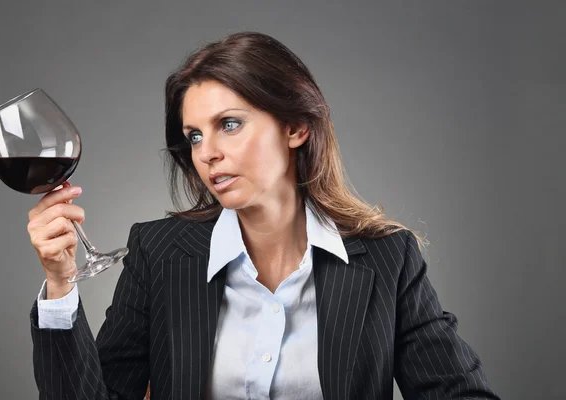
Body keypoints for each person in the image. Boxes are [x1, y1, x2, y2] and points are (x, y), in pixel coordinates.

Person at [28, 31, 500, 399]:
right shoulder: (158, 253)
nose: (207, 153)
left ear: (295, 127)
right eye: (194, 136)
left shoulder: (387, 258)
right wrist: (60, 286)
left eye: (228, 124)